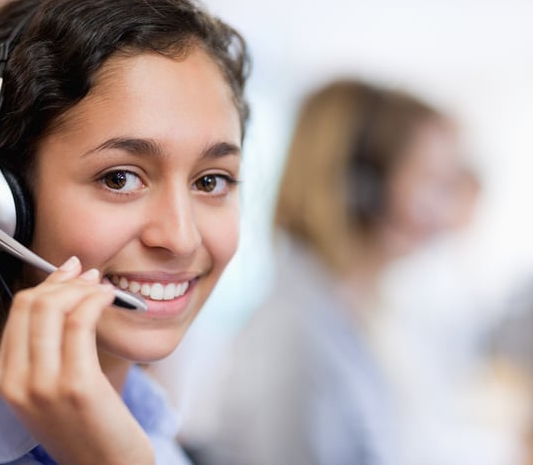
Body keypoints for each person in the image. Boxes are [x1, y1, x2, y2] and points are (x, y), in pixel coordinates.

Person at [0, 0, 249, 463]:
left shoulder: (154, 435)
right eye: (120, 178)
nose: (181, 237)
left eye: (211, 181)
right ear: (1, 199)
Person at [179, 79, 465, 465]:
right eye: (433, 183)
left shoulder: (348, 313)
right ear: (363, 188)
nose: (447, 215)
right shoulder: (294, 331)